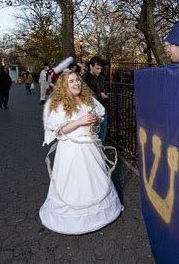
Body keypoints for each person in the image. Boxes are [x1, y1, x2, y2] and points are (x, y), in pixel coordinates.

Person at [40, 70, 123, 234]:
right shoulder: (58, 105)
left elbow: (98, 119)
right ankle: (71, 220)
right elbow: (59, 131)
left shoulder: (88, 99)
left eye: (77, 80)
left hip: (90, 147)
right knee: (74, 183)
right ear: (64, 85)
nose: (76, 83)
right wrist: (79, 122)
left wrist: (95, 120)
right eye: (71, 81)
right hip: (71, 150)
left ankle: (102, 213)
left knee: (95, 178)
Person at [82, 56, 109, 142]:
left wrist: (104, 93)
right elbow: (84, 94)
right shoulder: (84, 78)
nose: (99, 71)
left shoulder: (102, 78)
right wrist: (99, 95)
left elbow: (104, 89)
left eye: (100, 69)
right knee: (92, 134)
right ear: (91, 66)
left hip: (102, 109)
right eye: (97, 68)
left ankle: (100, 150)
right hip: (90, 110)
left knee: (102, 134)